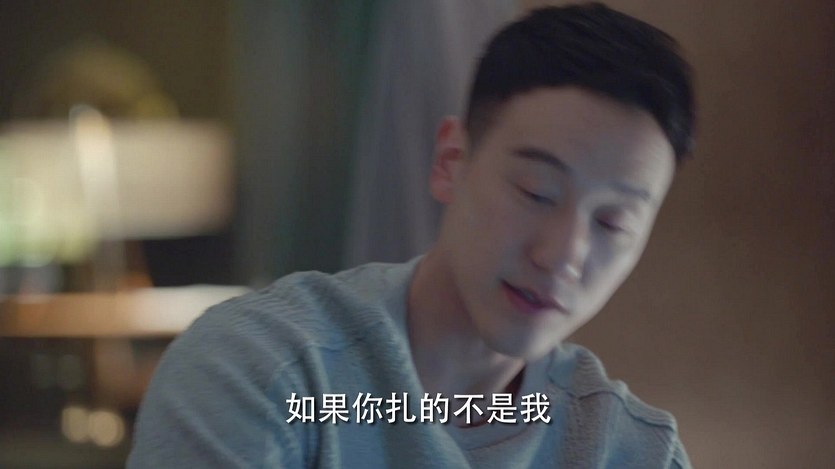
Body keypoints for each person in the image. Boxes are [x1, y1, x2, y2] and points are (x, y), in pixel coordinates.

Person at [128, 3, 695, 468]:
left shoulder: (630, 450)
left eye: (613, 223)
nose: (562, 255)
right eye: (536, 191)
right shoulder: (262, 372)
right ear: (452, 161)